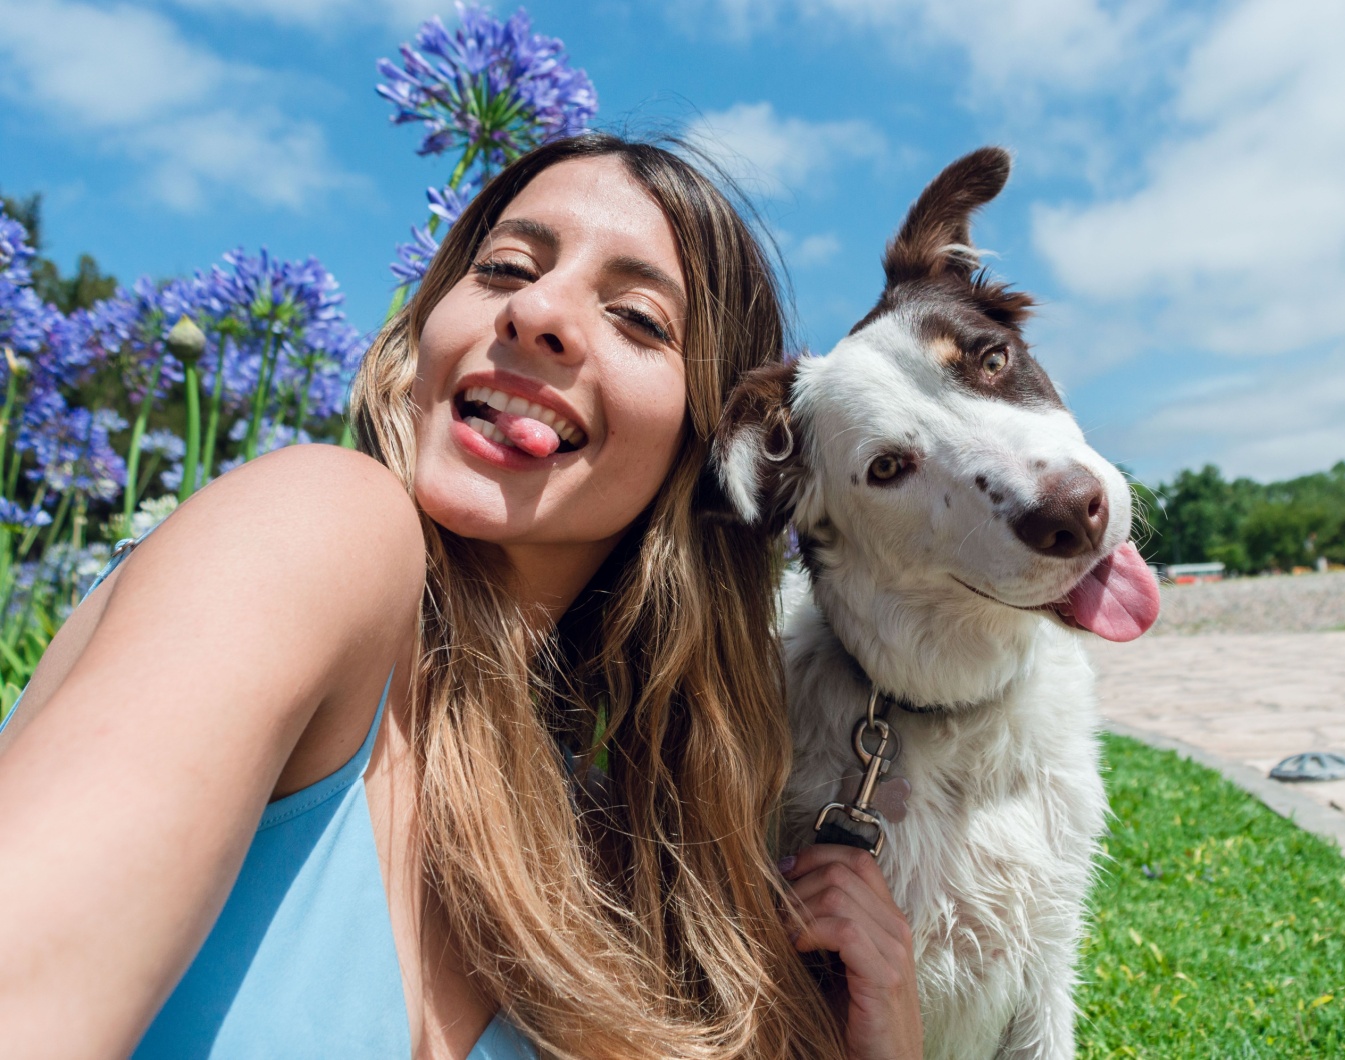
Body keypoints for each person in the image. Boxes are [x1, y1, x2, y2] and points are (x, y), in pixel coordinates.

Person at [0, 134, 922, 1060]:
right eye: (505, 267)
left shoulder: (624, 866)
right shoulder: (318, 526)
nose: (536, 310)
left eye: (640, 320)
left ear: (709, 455)